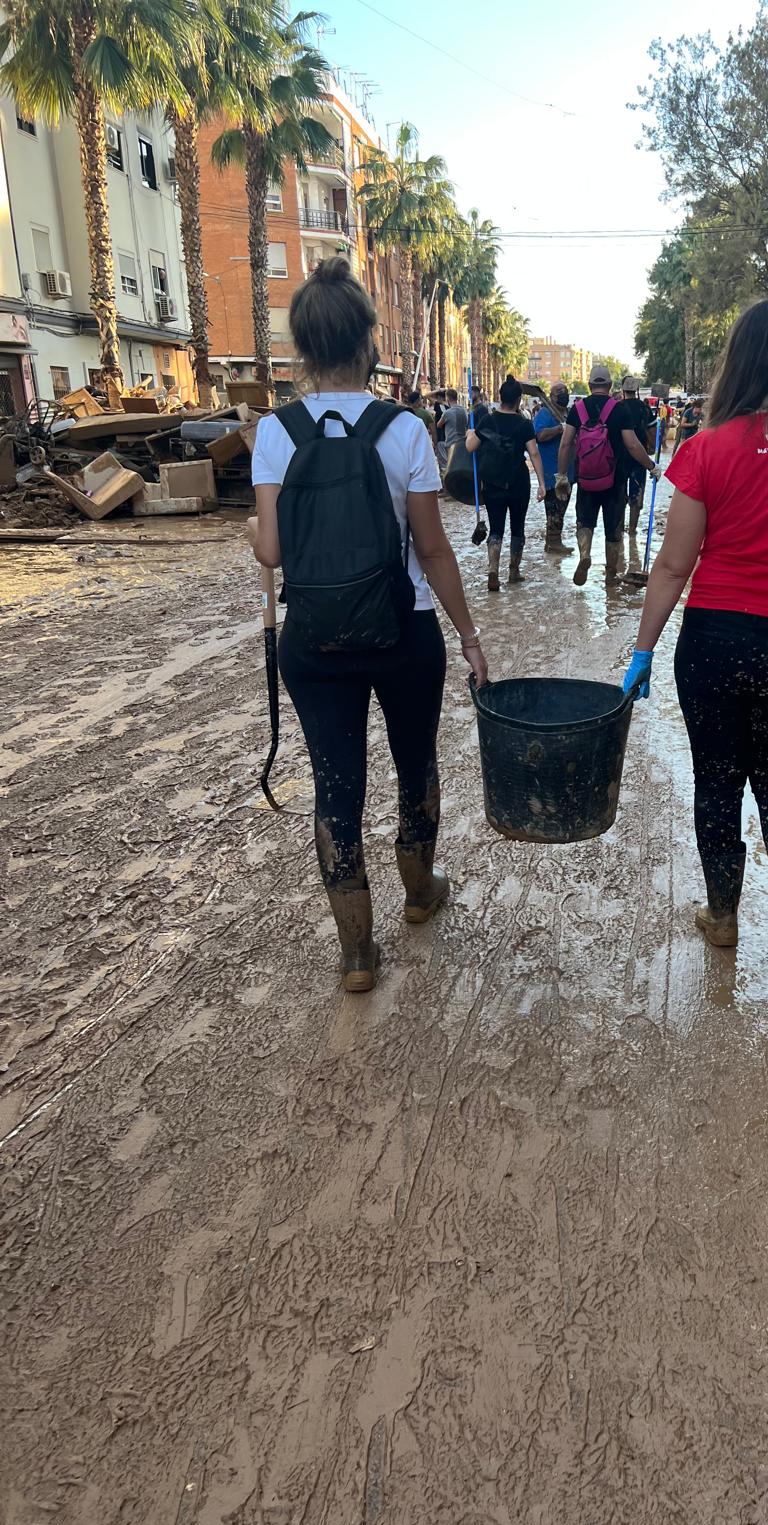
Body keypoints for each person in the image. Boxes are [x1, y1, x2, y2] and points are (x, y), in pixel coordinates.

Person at [249, 256, 488, 994]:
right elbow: (432, 547)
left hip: (313, 641)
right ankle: (420, 893)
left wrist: (264, 534)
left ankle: (357, 952)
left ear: (304, 348)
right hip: (403, 632)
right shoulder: (405, 428)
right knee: (415, 763)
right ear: (367, 341)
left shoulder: (275, 431)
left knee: (335, 784)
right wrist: (471, 637)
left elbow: (272, 550)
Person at [619, 297, 768, 982]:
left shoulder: (704, 448)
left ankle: (722, 917)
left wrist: (643, 651)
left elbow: (673, 565)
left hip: (713, 641)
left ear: (740, 362)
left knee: (717, 782)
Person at [556, 363, 660, 587]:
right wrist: (651, 466)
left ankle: (585, 554)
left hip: (586, 479)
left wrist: (562, 476)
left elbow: (565, 445)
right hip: (615, 480)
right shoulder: (619, 409)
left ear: (590, 384)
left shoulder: (578, 409)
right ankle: (611, 574)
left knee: (585, 521)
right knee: (613, 529)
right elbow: (632, 445)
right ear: (611, 385)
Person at [467, 372, 546, 591]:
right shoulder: (524, 424)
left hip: (493, 483)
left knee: (496, 528)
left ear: (500, 397)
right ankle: (514, 571)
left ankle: (493, 570)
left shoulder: (487, 420)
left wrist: (470, 434)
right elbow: (534, 453)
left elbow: (470, 447)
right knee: (517, 528)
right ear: (519, 400)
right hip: (518, 483)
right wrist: (541, 483)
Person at [619, 373, 657, 572]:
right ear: (637, 390)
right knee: (636, 495)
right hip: (639, 457)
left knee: (619, 496)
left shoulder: (618, 407)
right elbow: (652, 430)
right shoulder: (644, 408)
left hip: (619, 458)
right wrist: (651, 450)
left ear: (623, 391)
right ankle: (632, 531)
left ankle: (618, 531)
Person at [533, 381, 574, 556]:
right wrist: (559, 429)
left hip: (568, 470)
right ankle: (553, 542)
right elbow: (539, 435)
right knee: (553, 506)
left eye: (565, 391)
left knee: (563, 505)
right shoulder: (545, 413)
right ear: (551, 396)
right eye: (559, 392)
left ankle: (553, 541)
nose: (563, 394)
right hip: (550, 470)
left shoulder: (570, 413)